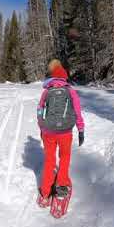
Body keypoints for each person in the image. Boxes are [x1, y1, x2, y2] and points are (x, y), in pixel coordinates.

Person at [36, 60, 85, 208]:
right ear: (64, 77)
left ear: (52, 77)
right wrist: (81, 130)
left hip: (48, 132)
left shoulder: (46, 92)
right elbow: (77, 112)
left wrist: (42, 126)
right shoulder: (70, 91)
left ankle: (45, 192)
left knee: (49, 161)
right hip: (65, 132)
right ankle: (61, 188)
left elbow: (39, 111)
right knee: (64, 158)